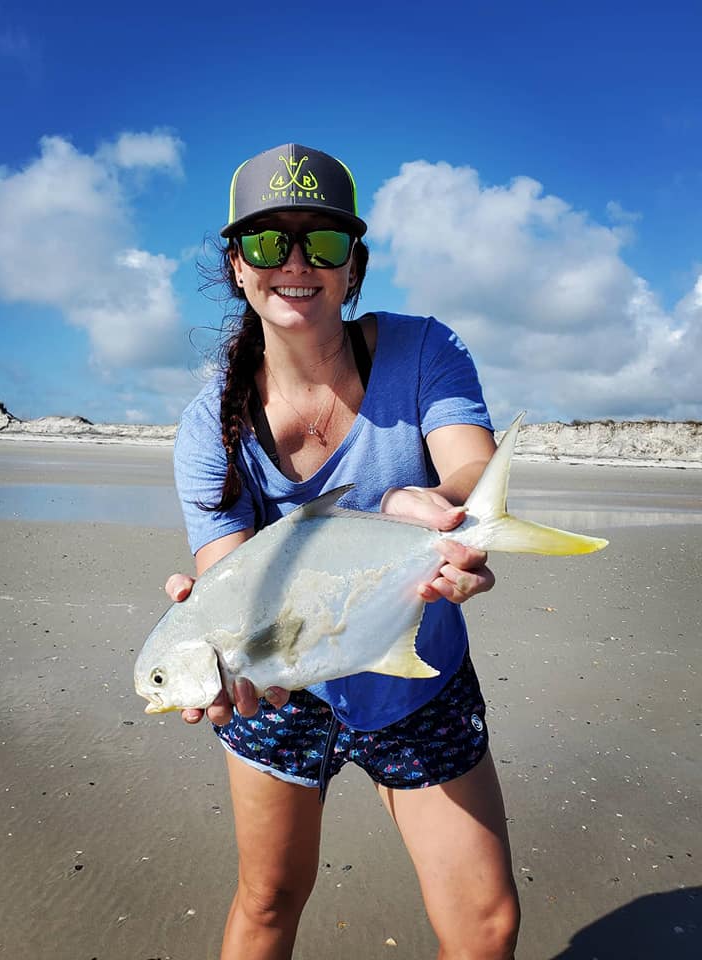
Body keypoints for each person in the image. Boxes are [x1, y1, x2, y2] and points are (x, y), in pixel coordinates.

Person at [165, 143, 520, 960]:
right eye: (266, 242)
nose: (295, 262)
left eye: (322, 241)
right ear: (237, 266)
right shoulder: (204, 429)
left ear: (353, 263)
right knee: (267, 902)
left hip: (418, 678)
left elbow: (468, 462)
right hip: (284, 697)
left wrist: (441, 508)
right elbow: (233, 576)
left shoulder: (423, 350)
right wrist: (213, 648)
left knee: (488, 925)